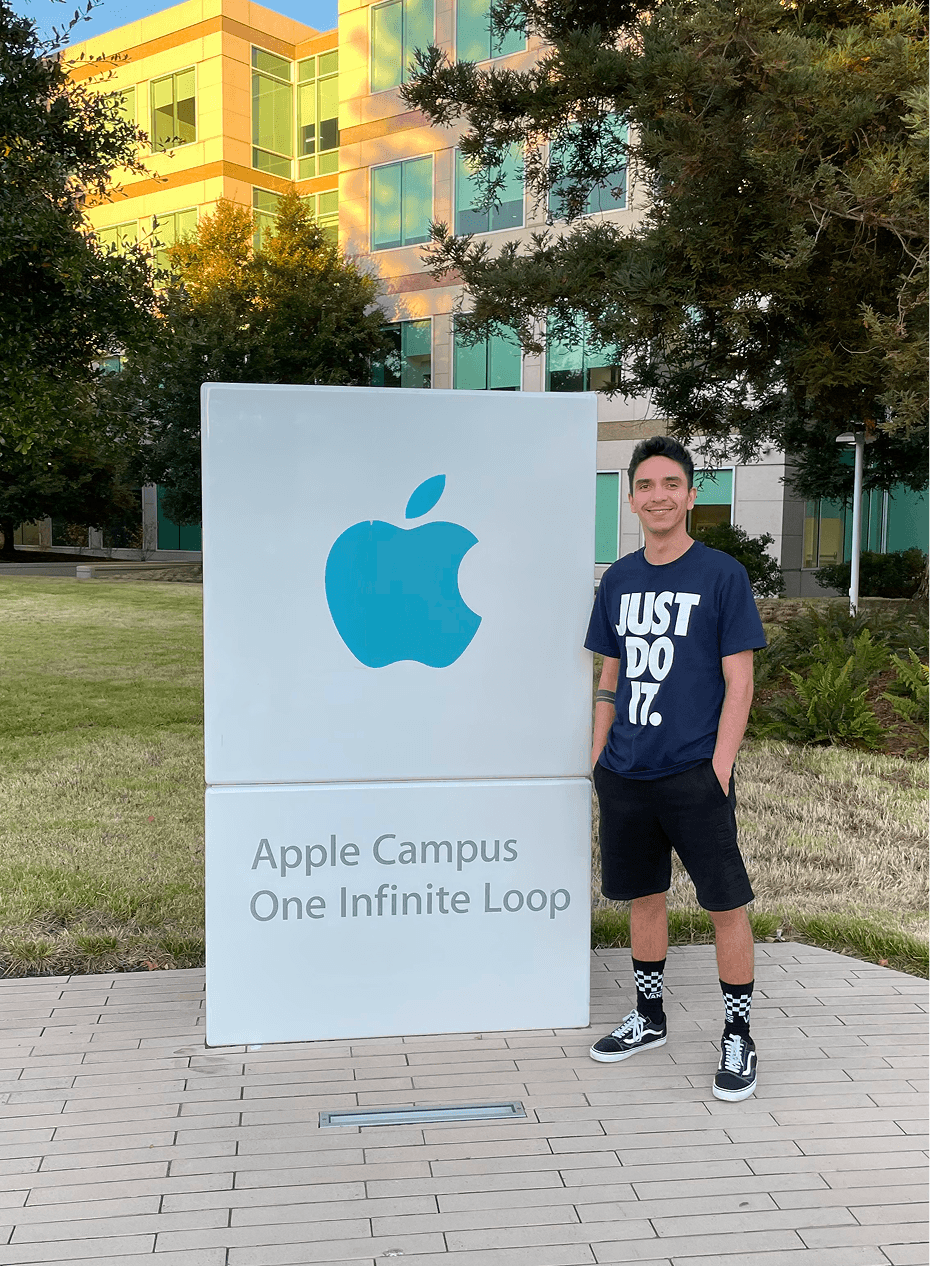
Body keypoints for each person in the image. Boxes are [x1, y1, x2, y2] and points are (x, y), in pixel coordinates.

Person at [584, 435, 767, 1101]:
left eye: (671, 484)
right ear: (631, 498)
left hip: (695, 771)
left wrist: (719, 766)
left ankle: (739, 1034)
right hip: (627, 772)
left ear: (691, 495)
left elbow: (739, 683)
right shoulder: (619, 579)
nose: (657, 495)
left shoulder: (721, 575)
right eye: (646, 485)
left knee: (726, 903)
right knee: (644, 897)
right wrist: (600, 752)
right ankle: (649, 1017)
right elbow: (610, 670)